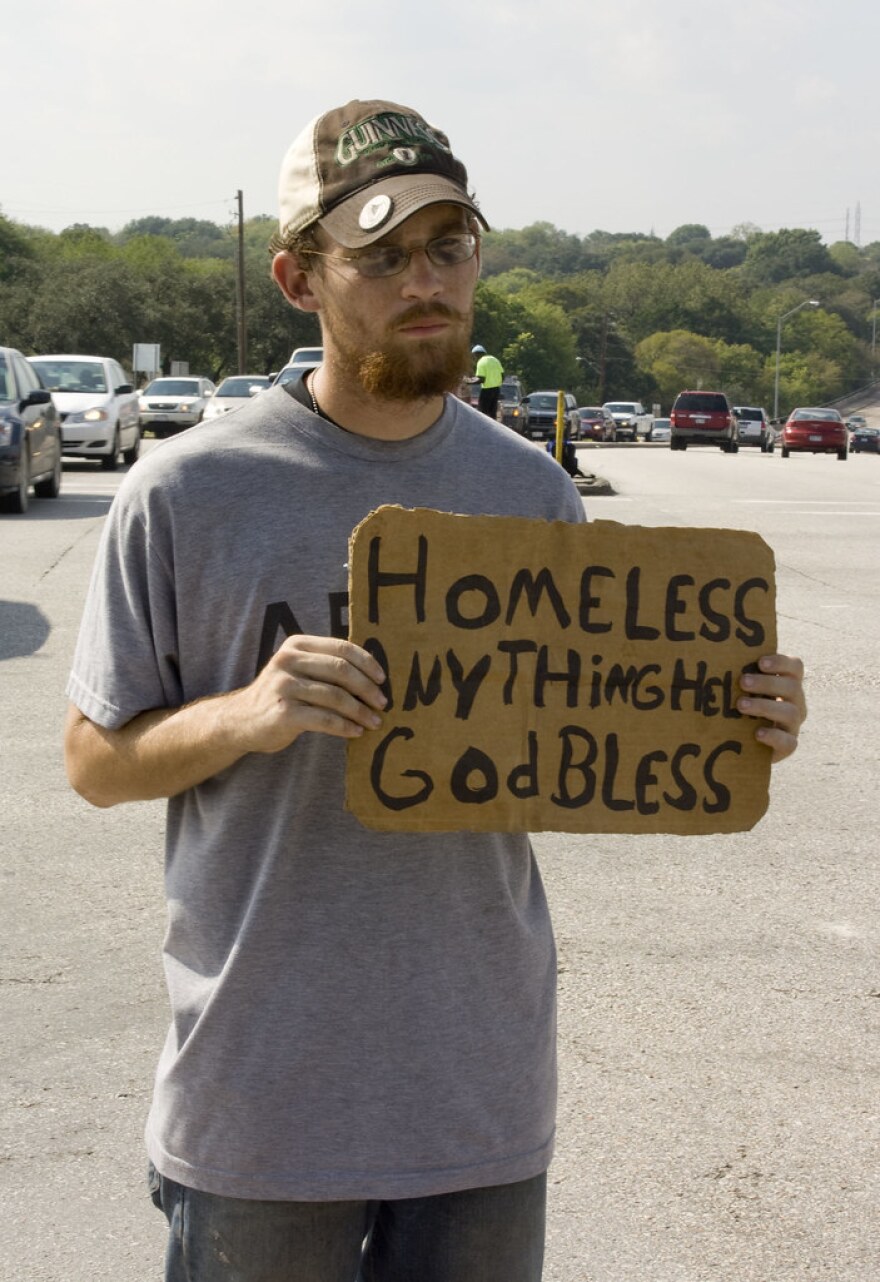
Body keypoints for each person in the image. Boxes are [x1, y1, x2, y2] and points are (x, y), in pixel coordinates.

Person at [63, 99, 807, 1282]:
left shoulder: (530, 495)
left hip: (478, 1093)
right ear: (300, 275)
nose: (426, 280)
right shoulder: (186, 492)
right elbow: (94, 761)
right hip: (258, 1097)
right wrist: (246, 715)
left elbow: (584, 728)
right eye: (380, 252)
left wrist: (730, 713)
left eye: (450, 245)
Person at [471, 343, 504, 419]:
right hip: (496, 390)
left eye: (474, 356)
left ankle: (482, 429)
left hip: (486, 391)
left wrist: (468, 382)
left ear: (477, 354)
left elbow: (481, 379)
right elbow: (502, 375)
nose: (475, 358)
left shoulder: (481, 362)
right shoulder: (495, 360)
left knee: (483, 412)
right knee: (492, 412)